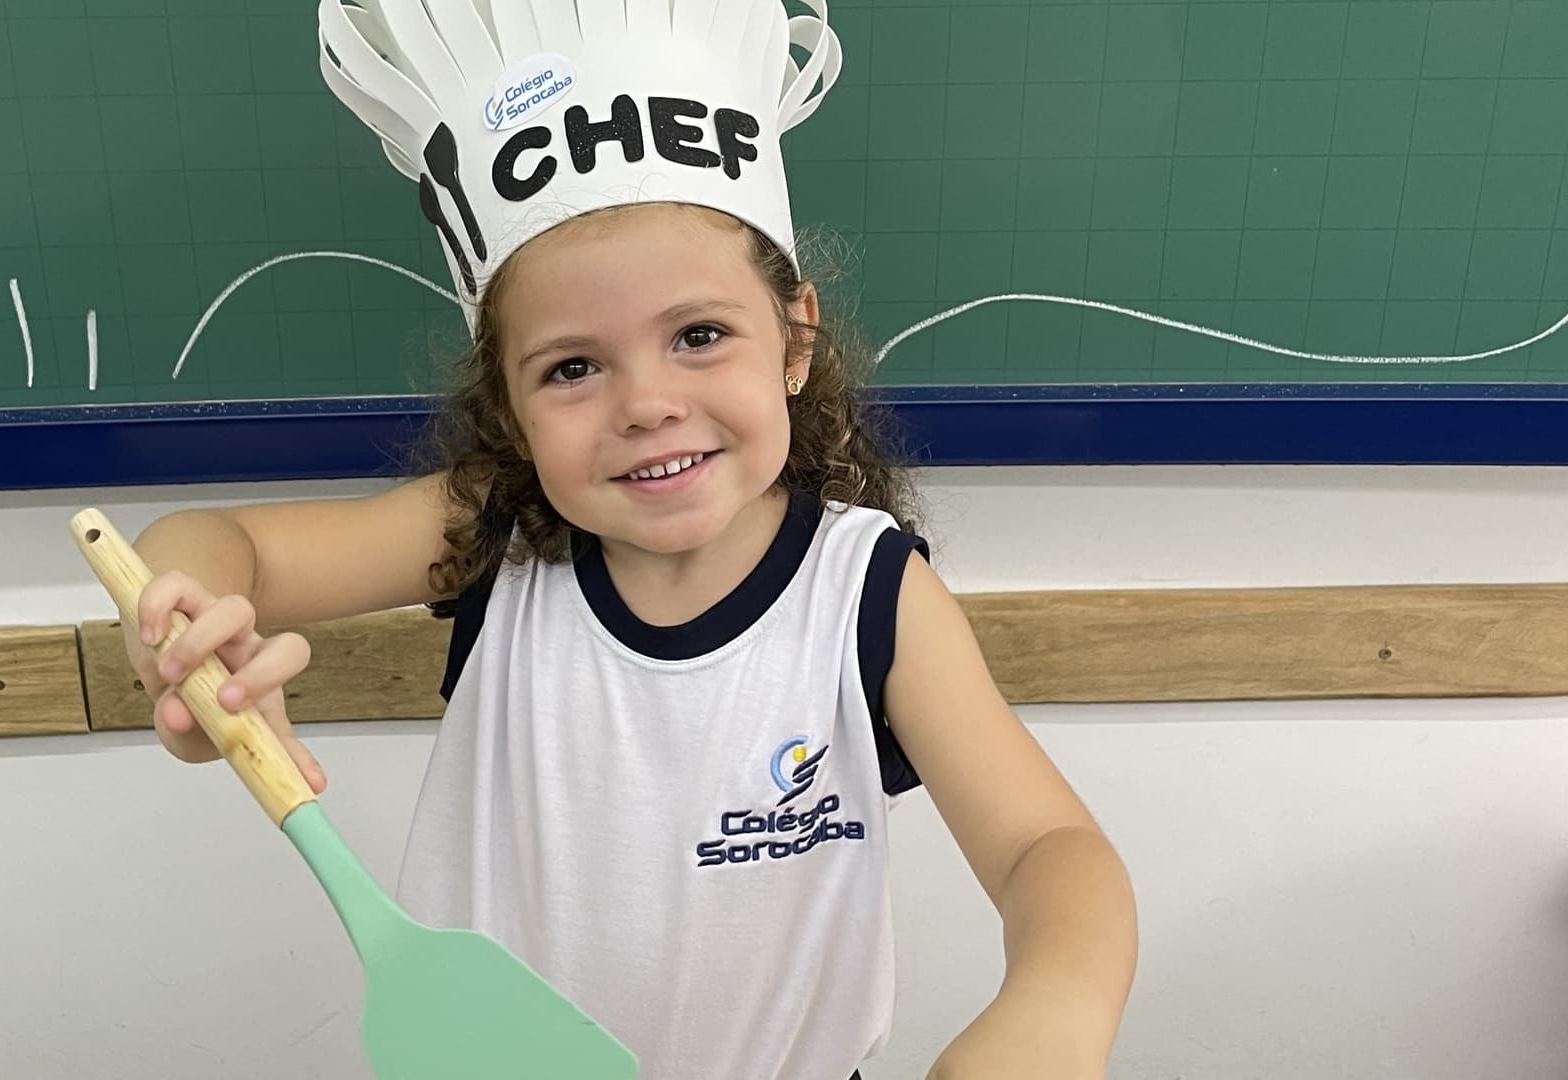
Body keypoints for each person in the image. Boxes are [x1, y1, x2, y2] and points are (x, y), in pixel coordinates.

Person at [123, 0, 1138, 1076]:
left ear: (794, 340)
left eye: (699, 335)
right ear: (509, 407)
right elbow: (217, 537)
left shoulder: (866, 592)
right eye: (572, 367)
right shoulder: (496, 530)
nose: (647, 404)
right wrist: (190, 623)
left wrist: (1052, 1012)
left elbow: (1050, 850)